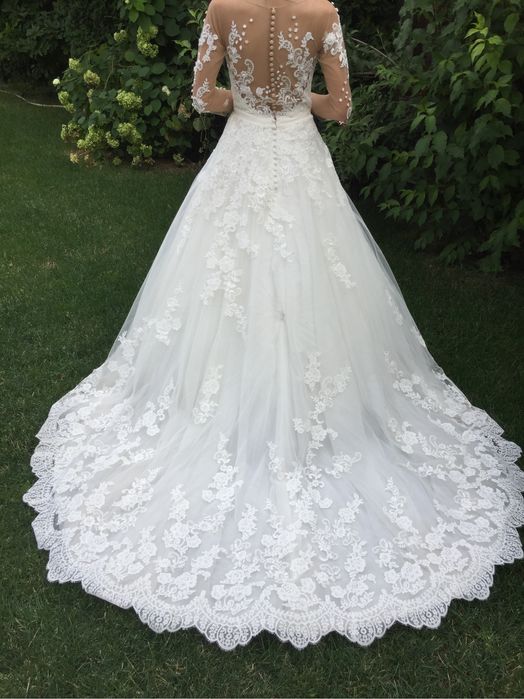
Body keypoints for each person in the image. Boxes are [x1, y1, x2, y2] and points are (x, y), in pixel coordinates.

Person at [22, 0, 524, 652]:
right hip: (298, 155)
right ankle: (331, 421)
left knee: (220, 282)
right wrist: (295, 102)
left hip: (242, 152)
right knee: (314, 278)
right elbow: (340, 107)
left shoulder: (222, 8)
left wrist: (249, 102)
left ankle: (211, 409)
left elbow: (204, 96)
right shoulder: (322, 12)